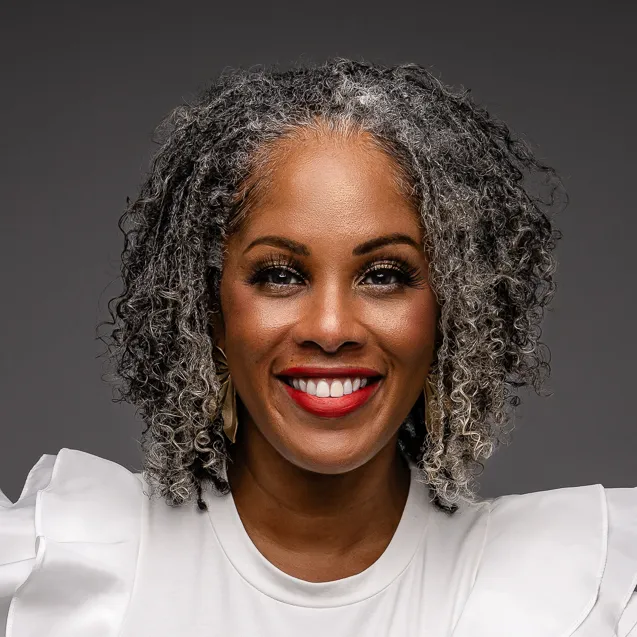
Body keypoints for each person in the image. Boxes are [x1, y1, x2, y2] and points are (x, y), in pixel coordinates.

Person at [1, 58, 636, 636]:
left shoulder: (578, 592)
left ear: (454, 313)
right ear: (209, 311)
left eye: (384, 275)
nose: (331, 329)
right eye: (279, 275)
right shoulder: (66, 566)